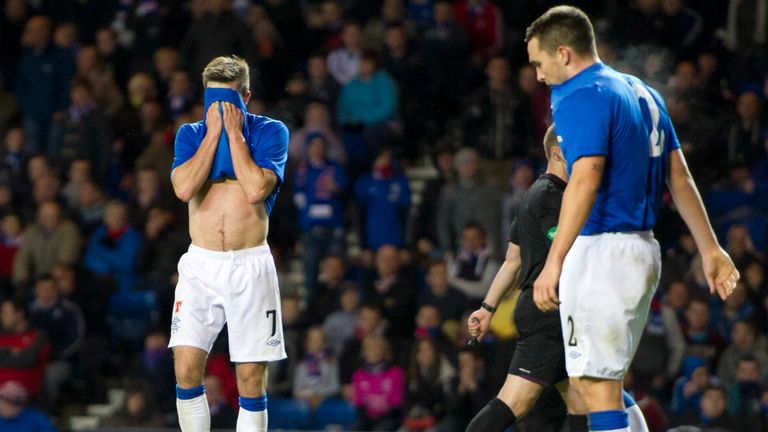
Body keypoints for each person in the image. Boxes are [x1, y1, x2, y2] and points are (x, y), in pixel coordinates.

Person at [526, 6, 740, 432]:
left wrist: (554, 262)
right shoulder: (643, 92)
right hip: (639, 248)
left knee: (597, 385)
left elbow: (584, 179)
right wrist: (710, 247)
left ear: (564, 54)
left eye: (539, 62)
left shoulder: (577, 94)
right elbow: (678, 176)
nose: (537, 75)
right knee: (591, 381)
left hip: (604, 250)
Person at [466, 125, 647, 432]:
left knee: (586, 397)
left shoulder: (536, 193)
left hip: (563, 313)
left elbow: (513, 260)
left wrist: (487, 308)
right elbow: (566, 255)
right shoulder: (551, 196)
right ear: (556, 153)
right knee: (517, 403)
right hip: (549, 316)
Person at [168, 55, 289, 431]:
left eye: (228, 101)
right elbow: (185, 187)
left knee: (250, 376)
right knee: (186, 367)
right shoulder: (190, 134)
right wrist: (213, 135)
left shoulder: (271, 132)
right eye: (211, 100)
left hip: (249, 264)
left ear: (246, 97)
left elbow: (255, 188)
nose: (218, 110)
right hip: (200, 264)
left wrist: (233, 134)